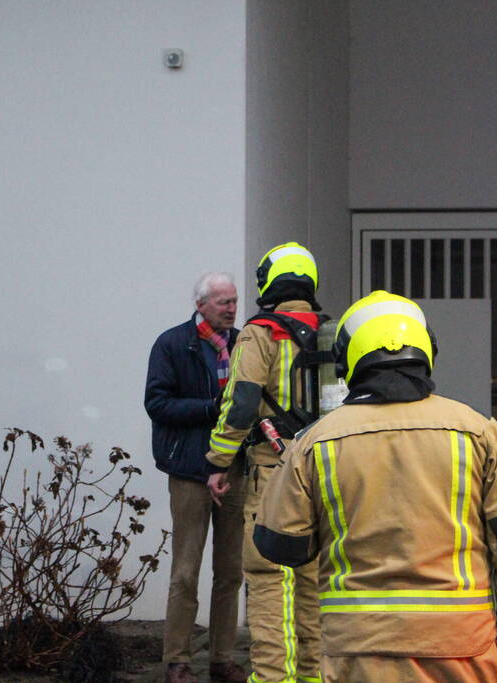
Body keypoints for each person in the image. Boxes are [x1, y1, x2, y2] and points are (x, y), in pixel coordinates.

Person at [253, 290, 497, 683]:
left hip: (357, 649)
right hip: (460, 648)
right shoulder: (478, 432)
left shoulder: (314, 442)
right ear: (427, 350)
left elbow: (279, 545)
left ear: (346, 361)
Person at [206, 243, 323, 683]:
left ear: (268, 282)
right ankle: (312, 675)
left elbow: (240, 404)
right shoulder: (331, 333)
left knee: (270, 579)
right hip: (324, 473)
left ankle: (274, 677)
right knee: (312, 583)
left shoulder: (260, 331)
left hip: (274, 473)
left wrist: (218, 461)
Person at [145, 272, 249, 683]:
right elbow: (157, 403)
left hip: (235, 471)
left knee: (231, 571)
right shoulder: (172, 344)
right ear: (200, 304)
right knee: (185, 571)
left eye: (234, 300)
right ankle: (178, 662)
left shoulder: (243, 343)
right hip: (189, 471)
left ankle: (222, 659)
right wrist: (212, 408)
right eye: (223, 301)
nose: (231, 308)